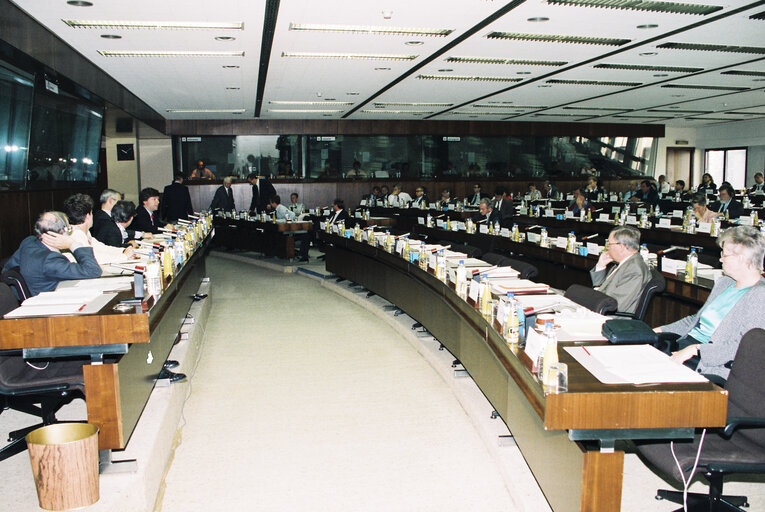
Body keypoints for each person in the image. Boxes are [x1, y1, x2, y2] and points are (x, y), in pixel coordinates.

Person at [655, 226, 765, 380]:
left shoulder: (760, 295)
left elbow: (742, 346)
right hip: (687, 346)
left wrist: (697, 349)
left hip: (709, 362)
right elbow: (695, 321)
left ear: (740, 258)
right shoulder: (724, 283)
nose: (720, 259)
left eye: (724, 255)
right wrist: (658, 330)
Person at [3, 211, 102, 296]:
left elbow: (7, 269)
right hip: (48, 304)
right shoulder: (50, 259)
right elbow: (93, 271)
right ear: (64, 233)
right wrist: (73, 244)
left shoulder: (29, 241)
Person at [589, 226, 651, 315]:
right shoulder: (625, 262)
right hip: (601, 310)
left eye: (609, 244)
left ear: (621, 247)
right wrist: (600, 266)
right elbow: (602, 288)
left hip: (611, 320)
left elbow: (614, 305)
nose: (607, 248)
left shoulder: (634, 270)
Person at [62, 193, 136, 264]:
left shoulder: (83, 232)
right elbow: (95, 258)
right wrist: (123, 256)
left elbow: (101, 248)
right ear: (88, 216)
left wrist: (123, 251)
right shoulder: (75, 234)